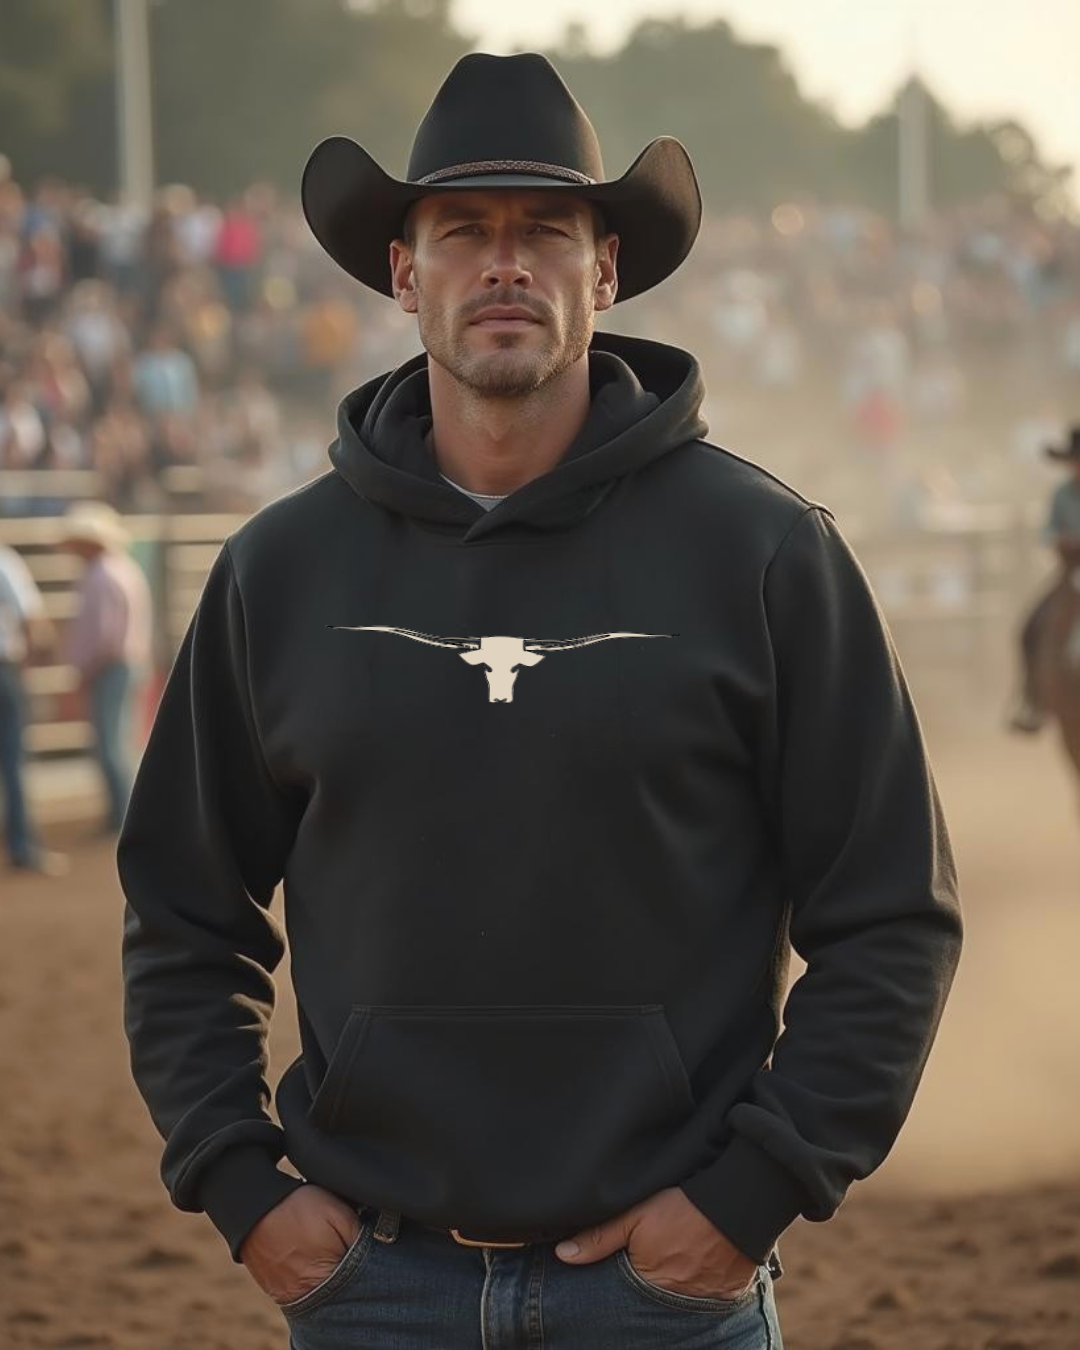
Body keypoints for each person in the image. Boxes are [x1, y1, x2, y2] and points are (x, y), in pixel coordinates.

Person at [118, 53, 962, 1350]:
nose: (503, 263)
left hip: (668, 1292)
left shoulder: (767, 552)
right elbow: (182, 910)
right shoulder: (277, 573)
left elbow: (893, 908)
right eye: (462, 230)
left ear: (603, 270)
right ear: (403, 273)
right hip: (372, 1289)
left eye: (545, 231)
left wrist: (754, 1193)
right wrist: (242, 1187)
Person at [58, 502, 152, 834]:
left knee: (111, 743)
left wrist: (81, 672)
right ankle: (129, 812)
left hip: (111, 667)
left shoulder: (100, 575)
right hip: (127, 663)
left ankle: (123, 814)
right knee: (120, 741)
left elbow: (101, 636)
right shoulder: (124, 569)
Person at [0, 542, 68, 875]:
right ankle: (22, 845)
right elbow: (31, 616)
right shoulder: (4, 561)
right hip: (3, 669)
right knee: (13, 758)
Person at [1010, 424, 1080, 734]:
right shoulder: (1062, 494)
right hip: (1071, 571)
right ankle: (1033, 701)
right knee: (1031, 626)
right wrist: (1061, 541)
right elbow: (1048, 531)